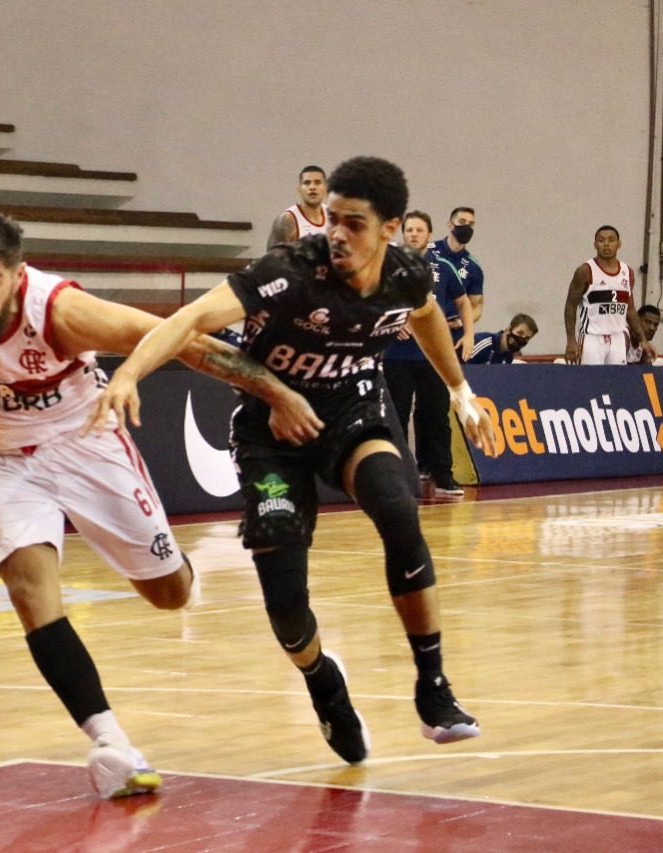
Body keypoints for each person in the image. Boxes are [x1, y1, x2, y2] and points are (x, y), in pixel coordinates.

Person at [89, 157, 498, 765]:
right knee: (286, 610)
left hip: (353, 412)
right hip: (270, 430)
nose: (336, 233)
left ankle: (433, 685)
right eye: (331, 219)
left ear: (389, 229)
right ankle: (322, 683)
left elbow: (427, 315)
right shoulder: (289, 270)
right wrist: (129, 373)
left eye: (353, 223)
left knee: (398, 507)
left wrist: (461, 391)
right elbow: (192, 320)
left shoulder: (409, 274)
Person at [0, 213, 274, 799]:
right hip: (3, 458)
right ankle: (110, 743)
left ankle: (164, 565)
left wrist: (280, 392)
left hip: (86, 440)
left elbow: (184, 340)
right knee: (29, 591)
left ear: (18, 277)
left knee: (172, 594)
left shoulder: (64, 312)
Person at [384, 210, 474, 496]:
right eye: (408, 229)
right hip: (397, 356)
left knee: (437, 415)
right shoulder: (387, 266)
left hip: (433, 356)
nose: (413, 234)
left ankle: (443, 475)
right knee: (396, 417)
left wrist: (469, 335)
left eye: (419, 230)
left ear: (429, 235)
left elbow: (464, 303)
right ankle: (397, 476)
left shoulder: (443, 267)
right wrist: (391, 323)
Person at [563, 226, 656, 365]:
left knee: (615, 383)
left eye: (611, 240)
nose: (606, 244)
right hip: (592, 338)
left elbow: (630, 310)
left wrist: (642, 339)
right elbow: (570, 306)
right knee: (590, 382)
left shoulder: (627, 272)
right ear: (595, 244)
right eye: (601, 240)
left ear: (619, 244)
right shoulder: (585, 271)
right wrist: (571, 340)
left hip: (618, 338)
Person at [427, 207, 484, 326]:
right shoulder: (427, 251)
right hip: (421, 323)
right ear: (450, 224)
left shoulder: (473, 268)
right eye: (462, 222)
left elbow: (475, 305)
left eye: (471, 224)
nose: (466, 227)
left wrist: (458, 323)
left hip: (450, 330)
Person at [266, 165, 328, 249]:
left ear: (325, 189)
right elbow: (272, 258)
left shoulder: (334, 216)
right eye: (307, 183)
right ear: (300, 191)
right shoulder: (287, 220)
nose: (312, 187)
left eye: (317, 182)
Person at [466, 314, 538, 364]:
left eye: (527, 338)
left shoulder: (509, 357)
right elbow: (463, 367)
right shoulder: (484, 343)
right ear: (509, 329)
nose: (522, 339)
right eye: (520, 333)